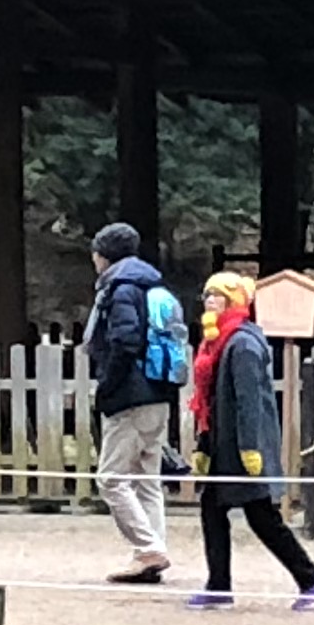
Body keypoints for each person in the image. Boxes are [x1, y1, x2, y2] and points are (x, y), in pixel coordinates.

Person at [183, 272, 314, 611]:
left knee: (262, 517)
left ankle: (310, 577)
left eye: (218, 296)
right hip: (223, 444)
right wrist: (205, 446)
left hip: (242, 447)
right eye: (207, 295)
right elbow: (212, 401)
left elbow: (249, 402)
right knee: (214, 510)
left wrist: (251, 448)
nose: (210, 301)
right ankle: (219, 585)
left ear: (234, 302)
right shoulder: (218, 341)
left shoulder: (243, 344)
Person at [80, 224, 179, 585]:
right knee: (146, 478)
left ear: (103, 254)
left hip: (130, 396)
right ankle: (152, 551)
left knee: (111, 478)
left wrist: (107, 386)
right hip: (159, 390)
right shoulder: (153, 285)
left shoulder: (120, 290)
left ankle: (148, 548)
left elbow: (124, 341)